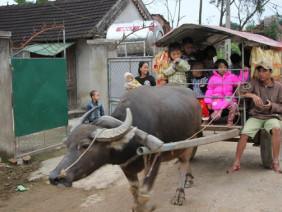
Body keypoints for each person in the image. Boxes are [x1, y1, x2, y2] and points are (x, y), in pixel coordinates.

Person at [227, 61, 282, 174]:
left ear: (271, 72)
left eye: (264, 71)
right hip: (256, 116)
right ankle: (236, 163)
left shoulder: (279, 87)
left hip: (271, 116)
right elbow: (239, 92)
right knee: (244, 133)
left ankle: (275, 162)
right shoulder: (254, 83)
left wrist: (272, 106)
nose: (261, 73)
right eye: (259, 71)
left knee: (276, 129)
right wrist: (252, 95)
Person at [204, 59, 249, 125]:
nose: (223, 69)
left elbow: (240, 81)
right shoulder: (212, 79)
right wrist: (209, 102)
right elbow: (209, 91)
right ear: (216, 69)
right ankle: (211, 120)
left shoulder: (231, 77)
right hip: (218, 100)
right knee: (215, 117)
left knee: (234, 106)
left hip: (228, 98)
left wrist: (244, 72)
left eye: (225, 67)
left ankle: (230, 122)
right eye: (221, 67)